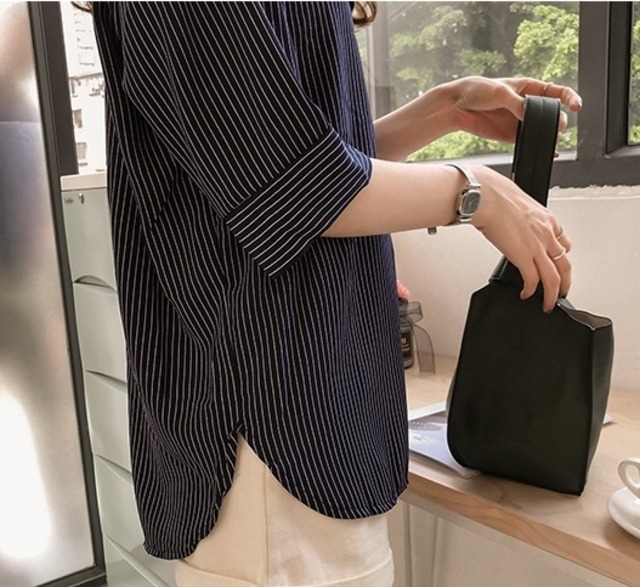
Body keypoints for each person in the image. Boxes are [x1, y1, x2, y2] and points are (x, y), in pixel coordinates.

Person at [90, 2, 581, 586]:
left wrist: (446, 108)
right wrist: (476, 194)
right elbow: (288, 183)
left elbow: (305, 157)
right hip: (269, 423)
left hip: (306, 403)